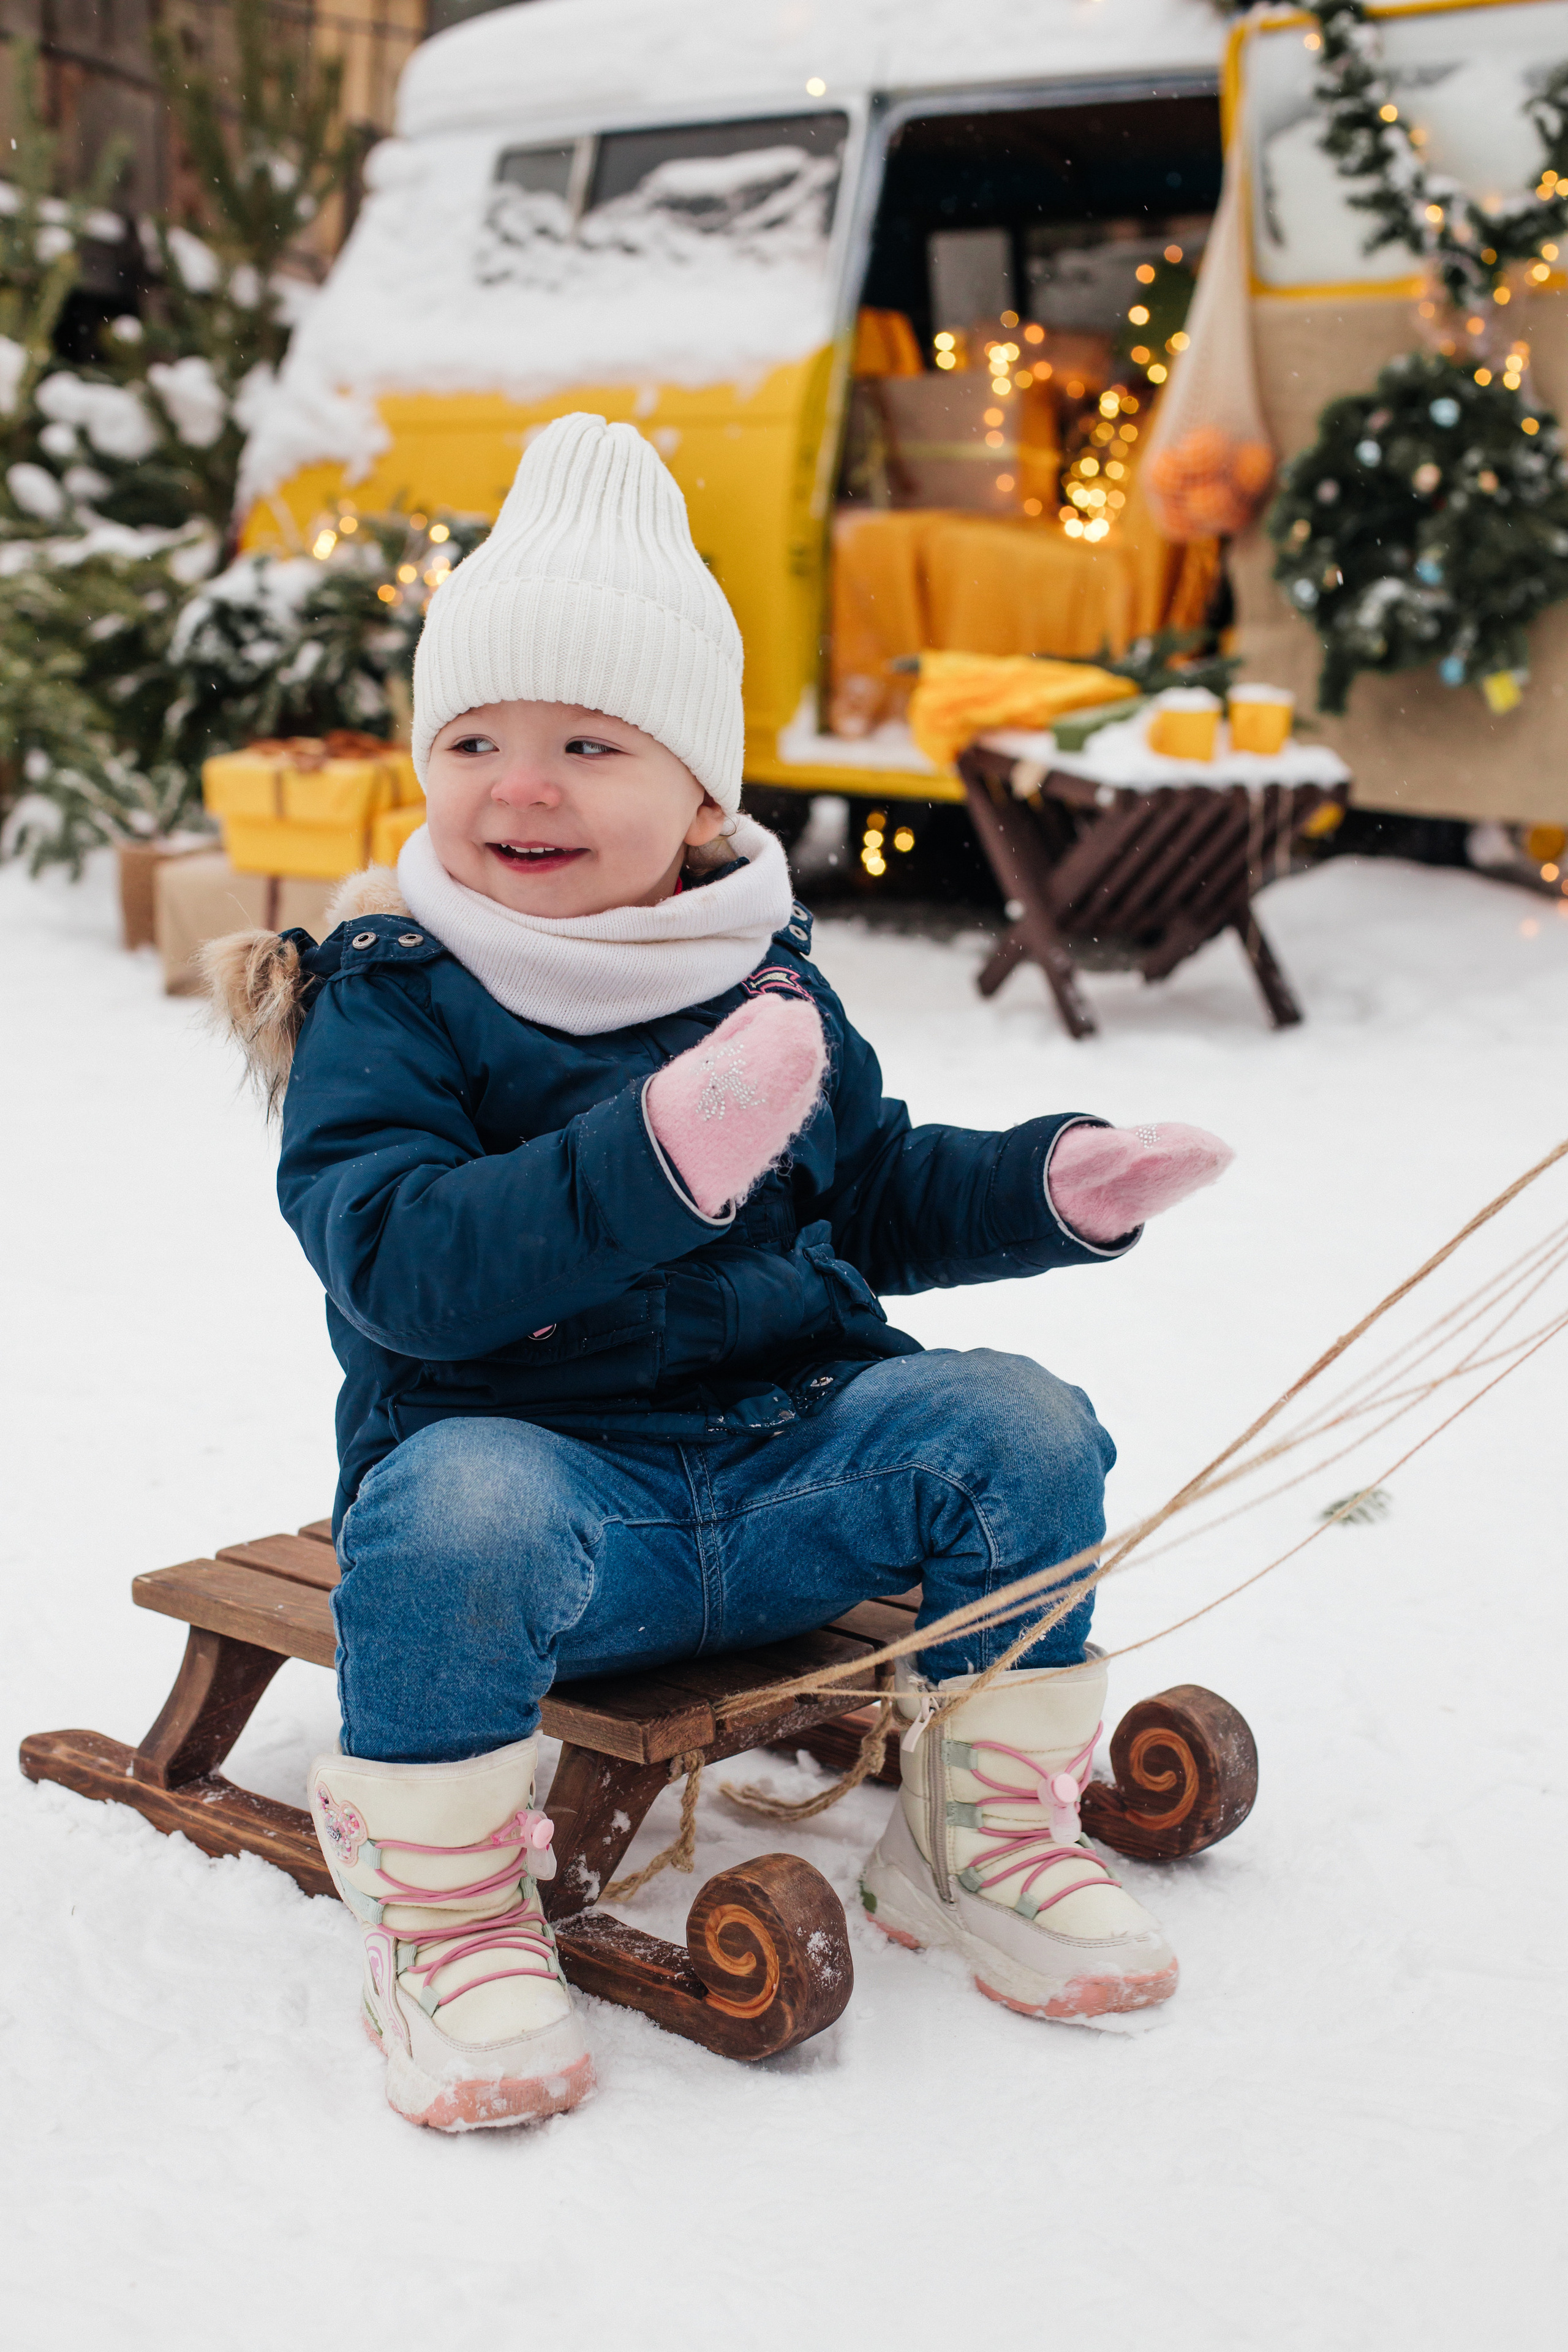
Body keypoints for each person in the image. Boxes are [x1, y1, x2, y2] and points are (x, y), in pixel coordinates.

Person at [208, 414, 1232, 2134]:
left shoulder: (762, 981)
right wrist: (657, 1161)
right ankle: (447, 1920)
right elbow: (402, 1264)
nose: (517, 785)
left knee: (1025, 1426)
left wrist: (1057, 1188)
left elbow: (875, 1190)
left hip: (786, 1470)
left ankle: (980, 1836)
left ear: (701, 800)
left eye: (588, 743)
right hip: (545, 1506)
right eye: (472, 738)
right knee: (450, 1513)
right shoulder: (391, 997)